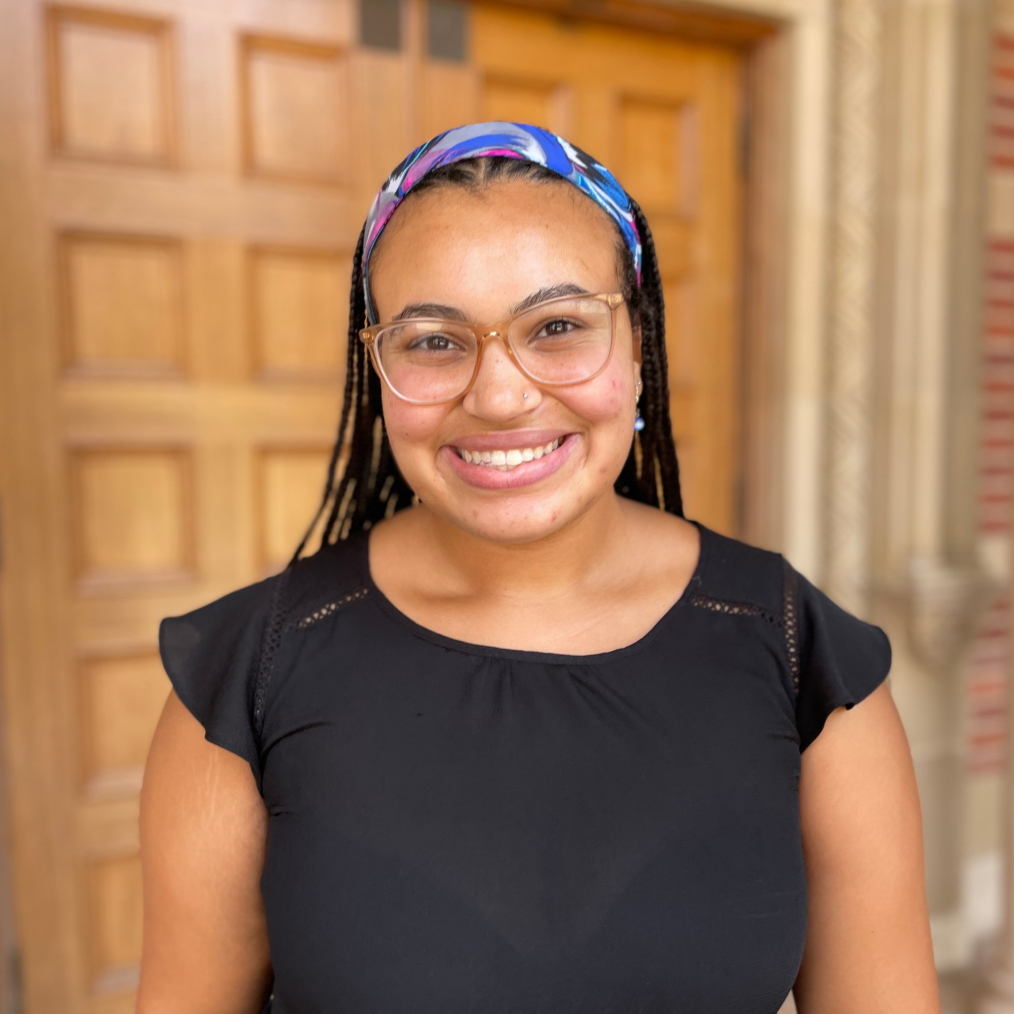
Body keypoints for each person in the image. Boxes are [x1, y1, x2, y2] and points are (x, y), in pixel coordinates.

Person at [138, 123, 939, 1014]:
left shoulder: (799, 655)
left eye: (557, 326)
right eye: (433, 340)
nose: (500, 394)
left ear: (639, 344)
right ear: (378, 368)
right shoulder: (245, 679)